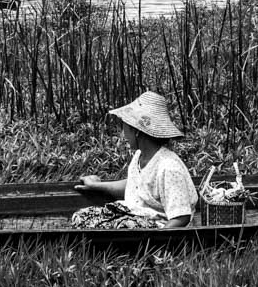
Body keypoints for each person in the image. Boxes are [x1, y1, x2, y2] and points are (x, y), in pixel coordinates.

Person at [70, 90, 198, 229]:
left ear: (137, 131)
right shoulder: (139, 155)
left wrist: (154, 242)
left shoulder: (168, 167)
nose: (124, 134)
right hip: (134, 215)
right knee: (80, 217)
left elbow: (181, 217)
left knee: (120, 227)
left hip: (156, 225)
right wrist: (97, 185)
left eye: (125, 127)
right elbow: (136, 186)